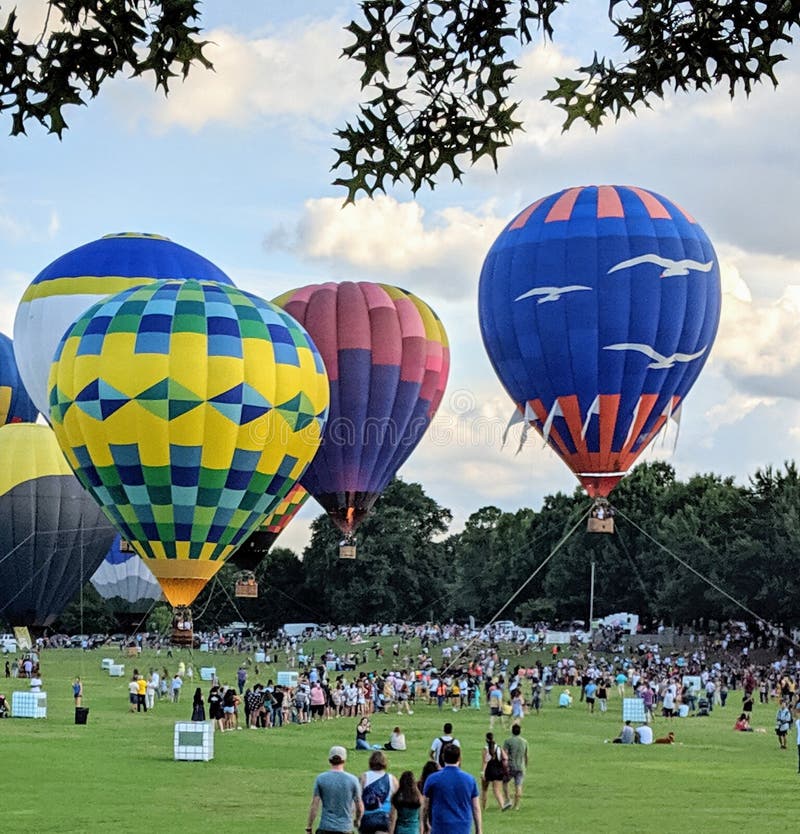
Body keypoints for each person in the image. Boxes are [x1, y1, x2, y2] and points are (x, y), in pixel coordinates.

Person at [422, 743, 482, 834]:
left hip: (440, 825)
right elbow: (476, 807)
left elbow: (425, 806)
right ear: (459, 758)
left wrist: (425, 823)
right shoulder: (470, 780)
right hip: (462, 826)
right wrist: (479, 829)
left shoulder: (433, 779)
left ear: (443, 757)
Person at [306, 745, 363, 834]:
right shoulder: (353, 780)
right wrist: (357, 820)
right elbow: (359, 806)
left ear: (329, 759)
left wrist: (309, 827)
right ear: (344, 760)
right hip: (345, 828)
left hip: (325, 827)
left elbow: (315, 805)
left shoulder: (321, 778)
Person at [359, 750, 398, 834]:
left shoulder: (364, 777)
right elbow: (396, 803)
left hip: (367, 817)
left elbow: (358, 799)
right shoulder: (392, 779)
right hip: (385, 817)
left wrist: (357, 818)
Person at [480, 731, 511, 811]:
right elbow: (505, 758)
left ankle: (483, 807)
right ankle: (502, 805)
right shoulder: (499, 748)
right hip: (498, 770)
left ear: (486, 739)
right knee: (497, 790)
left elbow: (485, 761)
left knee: (484, 790)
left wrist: (482, 772)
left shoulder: (485, 749)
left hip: (488, 770)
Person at [502, 724, 528, 811]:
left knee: (505, 782)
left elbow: (504, 754)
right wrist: (526, 765)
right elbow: (526, 755)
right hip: (521, 766)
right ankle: (516, 806)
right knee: (518, 785)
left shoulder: (508, 741)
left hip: (510, 766)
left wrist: (503, 765)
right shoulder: (524, 741)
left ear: (512, 731)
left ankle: (508, 799)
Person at [390, 770, 422, 834]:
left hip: (400, 830)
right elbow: (420, 818)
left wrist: (391, 831)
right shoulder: (418, 797)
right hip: (414, 830)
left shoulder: (397, 797)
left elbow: (393, 817)